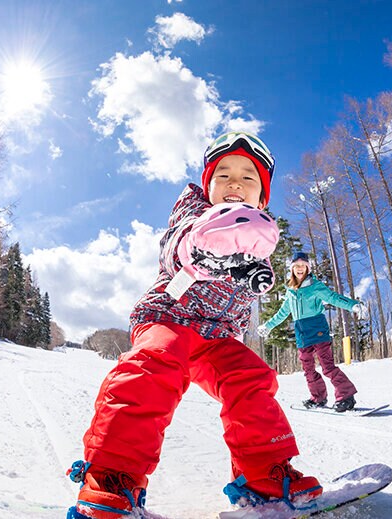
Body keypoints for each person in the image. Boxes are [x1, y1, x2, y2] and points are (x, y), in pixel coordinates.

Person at [67, 132, 323, 519]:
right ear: (208, 186)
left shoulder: (261, 244)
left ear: (262, 198)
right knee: (153, 367)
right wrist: (198, 250)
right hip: (167, 319)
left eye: (247, 178)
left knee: (251, 378)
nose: (234, 182)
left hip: (215, 338)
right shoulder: (193, 213)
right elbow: (174, 245)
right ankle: (112, 477)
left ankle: (264, 476)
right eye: (223, 175)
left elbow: (255, 286)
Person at [257, 251, 367, 413]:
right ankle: (318, 397)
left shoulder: (315, 286)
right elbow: (283, 312)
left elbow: (334, 297)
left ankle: (346, 396)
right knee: (308, 369)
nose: (300, 269)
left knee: (327, 366)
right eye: (297, 266)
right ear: (292, 269)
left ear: (308, 268)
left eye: (303, 266)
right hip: (301, 332)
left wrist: (353, 305)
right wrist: (268, 325)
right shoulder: (290, 291)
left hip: (317, 328)